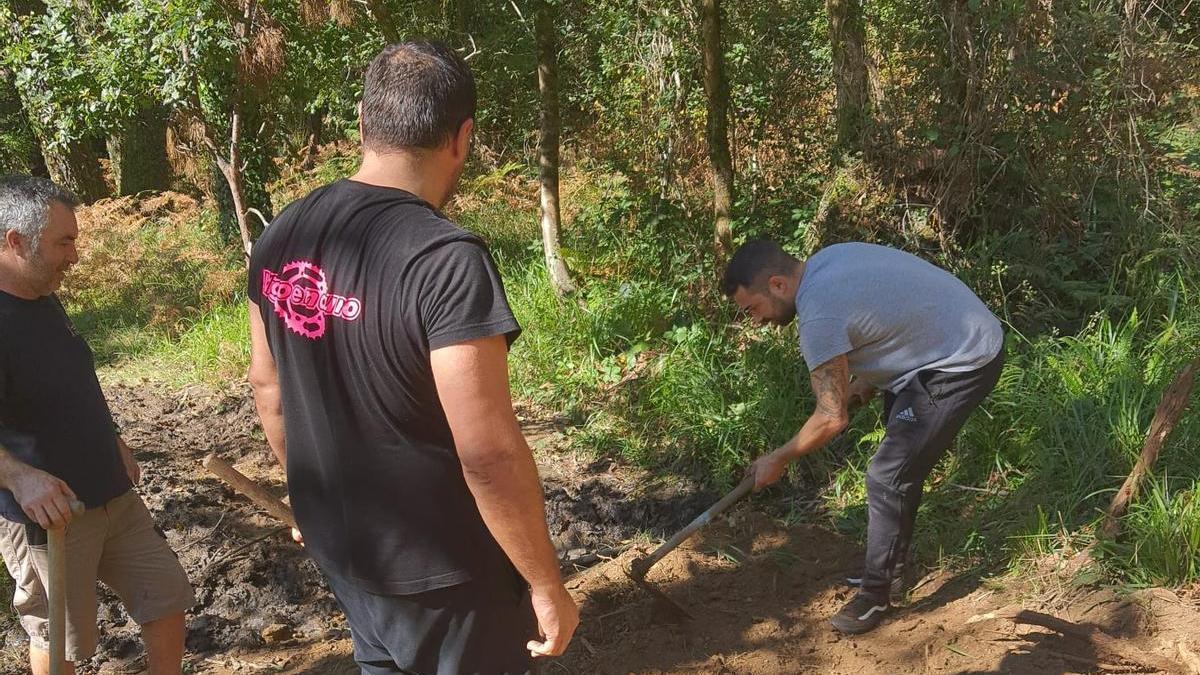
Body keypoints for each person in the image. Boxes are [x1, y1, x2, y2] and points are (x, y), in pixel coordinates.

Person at [247, 40, 578, 674]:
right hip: (445, 576)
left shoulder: (282, 233)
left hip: (348, 557)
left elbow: (269, 390)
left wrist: (314, 503)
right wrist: (544, 582)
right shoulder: (445, 261)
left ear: (364, 123)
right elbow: (486, 452)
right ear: (463, 137)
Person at [722, 239, 1004, 635]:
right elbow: (886, 316)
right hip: (943, 343)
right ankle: (893, 572)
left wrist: (778, 457)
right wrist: (863, 380)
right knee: (899, 457)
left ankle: (875, 597)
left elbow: (830, 417)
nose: (755, 320)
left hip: (962, 359)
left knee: (887, 475)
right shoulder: (827, 262)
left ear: (778, 285)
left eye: (753, 308)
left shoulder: (818, 315)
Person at [0, 175, 194, 674]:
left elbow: (69, 382)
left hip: (112, 494)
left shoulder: (44, 298)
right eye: (63, 242)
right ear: (14, 241)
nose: (76, 256)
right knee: (61, 636)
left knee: (166, 597)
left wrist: (112, 438)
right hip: (50, 517)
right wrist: (19, 476)